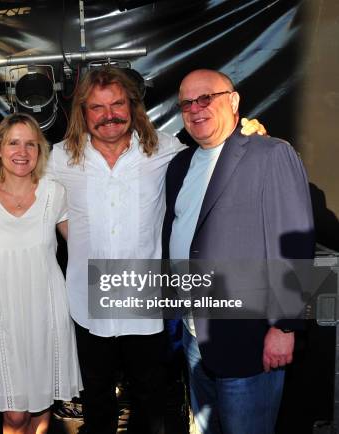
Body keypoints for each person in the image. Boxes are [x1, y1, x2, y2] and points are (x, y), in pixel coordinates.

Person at [47, 66, 265, 433]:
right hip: (87, 299)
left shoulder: (166, 150)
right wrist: (80, 242)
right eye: (97, 107)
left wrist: (251, 135)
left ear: (132, 107)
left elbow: (216, 152)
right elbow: (36, 198)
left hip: (144, 299)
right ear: (82, 112)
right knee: (96, 396)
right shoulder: (58, 158)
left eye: (117, 104)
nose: (109, 114)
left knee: (152, 397)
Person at [162, 69, 314, 434]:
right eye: (186, 103)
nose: (196, 109)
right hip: (195, 334)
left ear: (233, 100)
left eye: (206, 98)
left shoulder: (270, 154)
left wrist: (285, 327)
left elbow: (294, 244)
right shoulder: (179, 165)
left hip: (249, 339)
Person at [0, 113, 82, 434]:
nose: (22, 152)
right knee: (15, 416)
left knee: (40, 404)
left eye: (30, 144)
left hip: (46, 310)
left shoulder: (54, 193)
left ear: (40, 152)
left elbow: (81, 245)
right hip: (0, 313)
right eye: (13, 143)